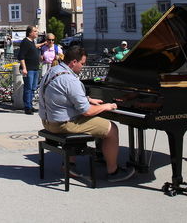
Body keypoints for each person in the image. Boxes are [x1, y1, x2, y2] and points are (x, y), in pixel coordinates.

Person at [38, 45, 135, 182]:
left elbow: (64, 95)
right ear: (73, 62)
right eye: (82, 64)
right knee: (112, 129)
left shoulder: (54, 70)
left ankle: (70, 165)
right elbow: (87, 111)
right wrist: (107, 106)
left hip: (48, 121)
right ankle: (113, 172)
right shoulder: (70, 80)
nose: (83, 67)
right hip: (62, 125)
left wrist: (88, 99)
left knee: (96, 118)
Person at [17, 26, 41, 114]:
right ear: (30, 33)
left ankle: (30, 105)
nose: (36, 33)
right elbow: (21, 56)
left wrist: (43, 44)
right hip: (28, 69)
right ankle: (27, 107)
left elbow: (34, 47)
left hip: (35, 68)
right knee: (28, 87)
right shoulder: (25, 42)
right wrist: (24, 68)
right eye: (35, 31)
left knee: (33, 88)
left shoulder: (32, 42)